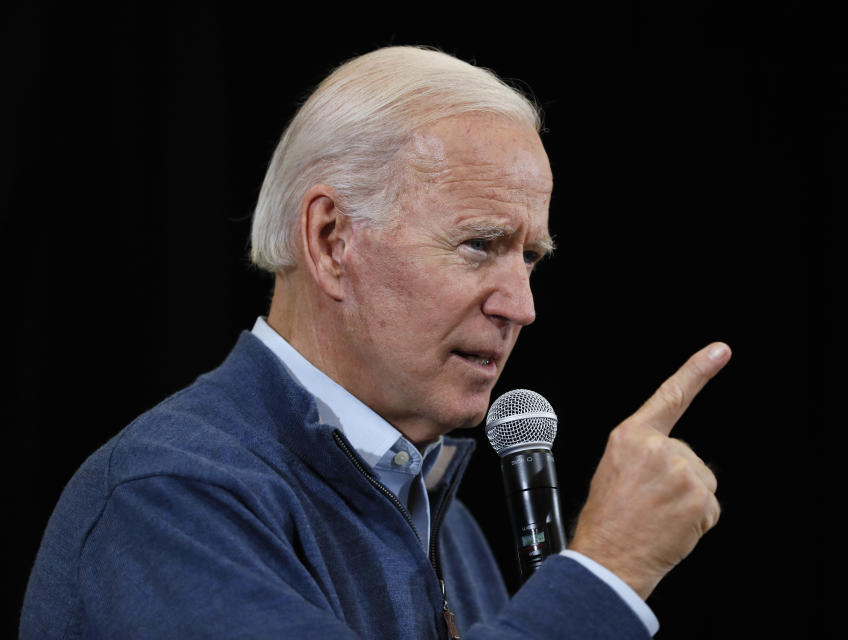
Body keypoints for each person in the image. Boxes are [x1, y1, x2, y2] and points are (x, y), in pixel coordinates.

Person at [20, 46, 730, 638]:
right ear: (332, 242)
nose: (522, 306)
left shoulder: (446, 525)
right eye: (481, 244)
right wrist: (605, 573)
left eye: (531, 257)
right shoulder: (169, 500)